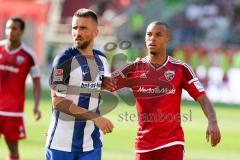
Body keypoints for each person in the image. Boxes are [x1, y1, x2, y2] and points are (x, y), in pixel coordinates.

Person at [107, 21, 221, 160]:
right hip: (143, 145)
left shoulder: (181, 69)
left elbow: (202, 98)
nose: (152, 38)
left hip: (172, 143)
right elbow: (105, 84)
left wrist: (213, 121)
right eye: (149, 34)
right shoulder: (134, 69)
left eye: (158, 34)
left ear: (168, 38)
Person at [45, 8, 114, 160]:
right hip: (61, 145)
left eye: (83, 28)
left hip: (91, 144)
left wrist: (104, 84)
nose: (77, 32)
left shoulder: (102, 60)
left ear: (96, 32)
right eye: (75, 27)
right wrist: (96, 118)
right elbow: (58, 101)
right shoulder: (64, 60)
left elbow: (96, 84)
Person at [0, 17, 41, 160]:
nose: (10, 31)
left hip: (13, 112)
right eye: (8, 28)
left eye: (14, 28)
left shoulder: (29, 55)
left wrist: (36, 105)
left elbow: (37, 81)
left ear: (22, 31)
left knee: (13, 150)